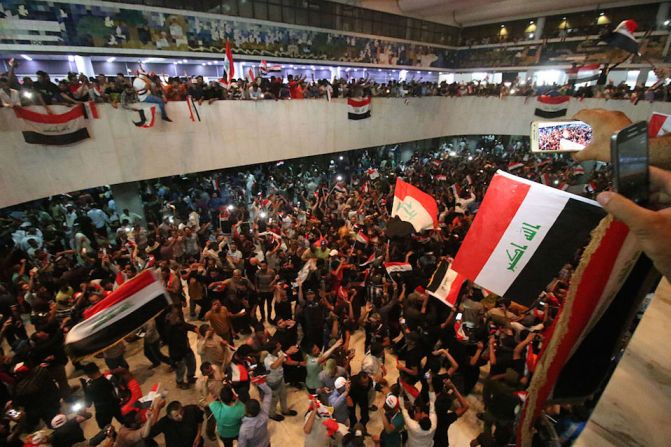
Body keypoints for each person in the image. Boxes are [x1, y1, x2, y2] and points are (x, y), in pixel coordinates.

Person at [263, 342, 299, 421]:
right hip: (273, 382)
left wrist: (299, 363)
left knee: (283, 395)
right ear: (274, 350)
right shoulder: (267, 359)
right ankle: (272, 414)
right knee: (274, 399)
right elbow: (274, 366)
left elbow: (286, 361)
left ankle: (285, 410)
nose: (280, 345)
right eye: (278, 345)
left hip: (281, 378)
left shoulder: (279, 353)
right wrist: (286, 353)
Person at [82, 362, 123, 429]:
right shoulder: (109, 378)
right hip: (115, 404)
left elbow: (88, 403)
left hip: (102, 410)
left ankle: (114, 436)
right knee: (124, 421)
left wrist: (85, 389)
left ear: (88, 374)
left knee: (104, 427)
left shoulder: (90, 387)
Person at [237, 381, 273, 447]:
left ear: (249, 413)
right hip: (266, 444)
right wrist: (260, 382)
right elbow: (269, 393)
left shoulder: (244, 429)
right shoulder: (264, 413)